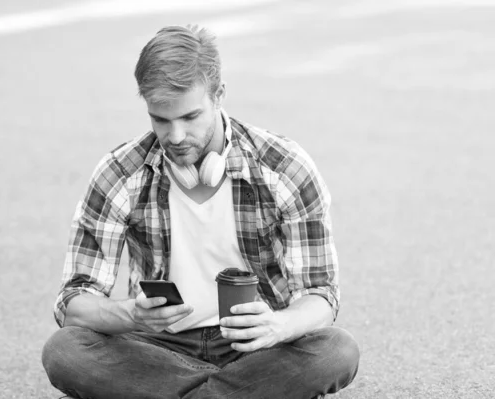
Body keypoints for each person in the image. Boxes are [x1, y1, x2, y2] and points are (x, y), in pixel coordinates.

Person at [42, 25, 360, 399]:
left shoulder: (285, 167)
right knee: (64, 351)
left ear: (219, 95)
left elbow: (320, 295)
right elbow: (74, 302)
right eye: (160, 119)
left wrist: (278, 325)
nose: (175, 137)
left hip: (256, 348)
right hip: (158, 348)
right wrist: (132, 314)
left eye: (190, 117)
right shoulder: (120, 173)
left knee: (336, 351)